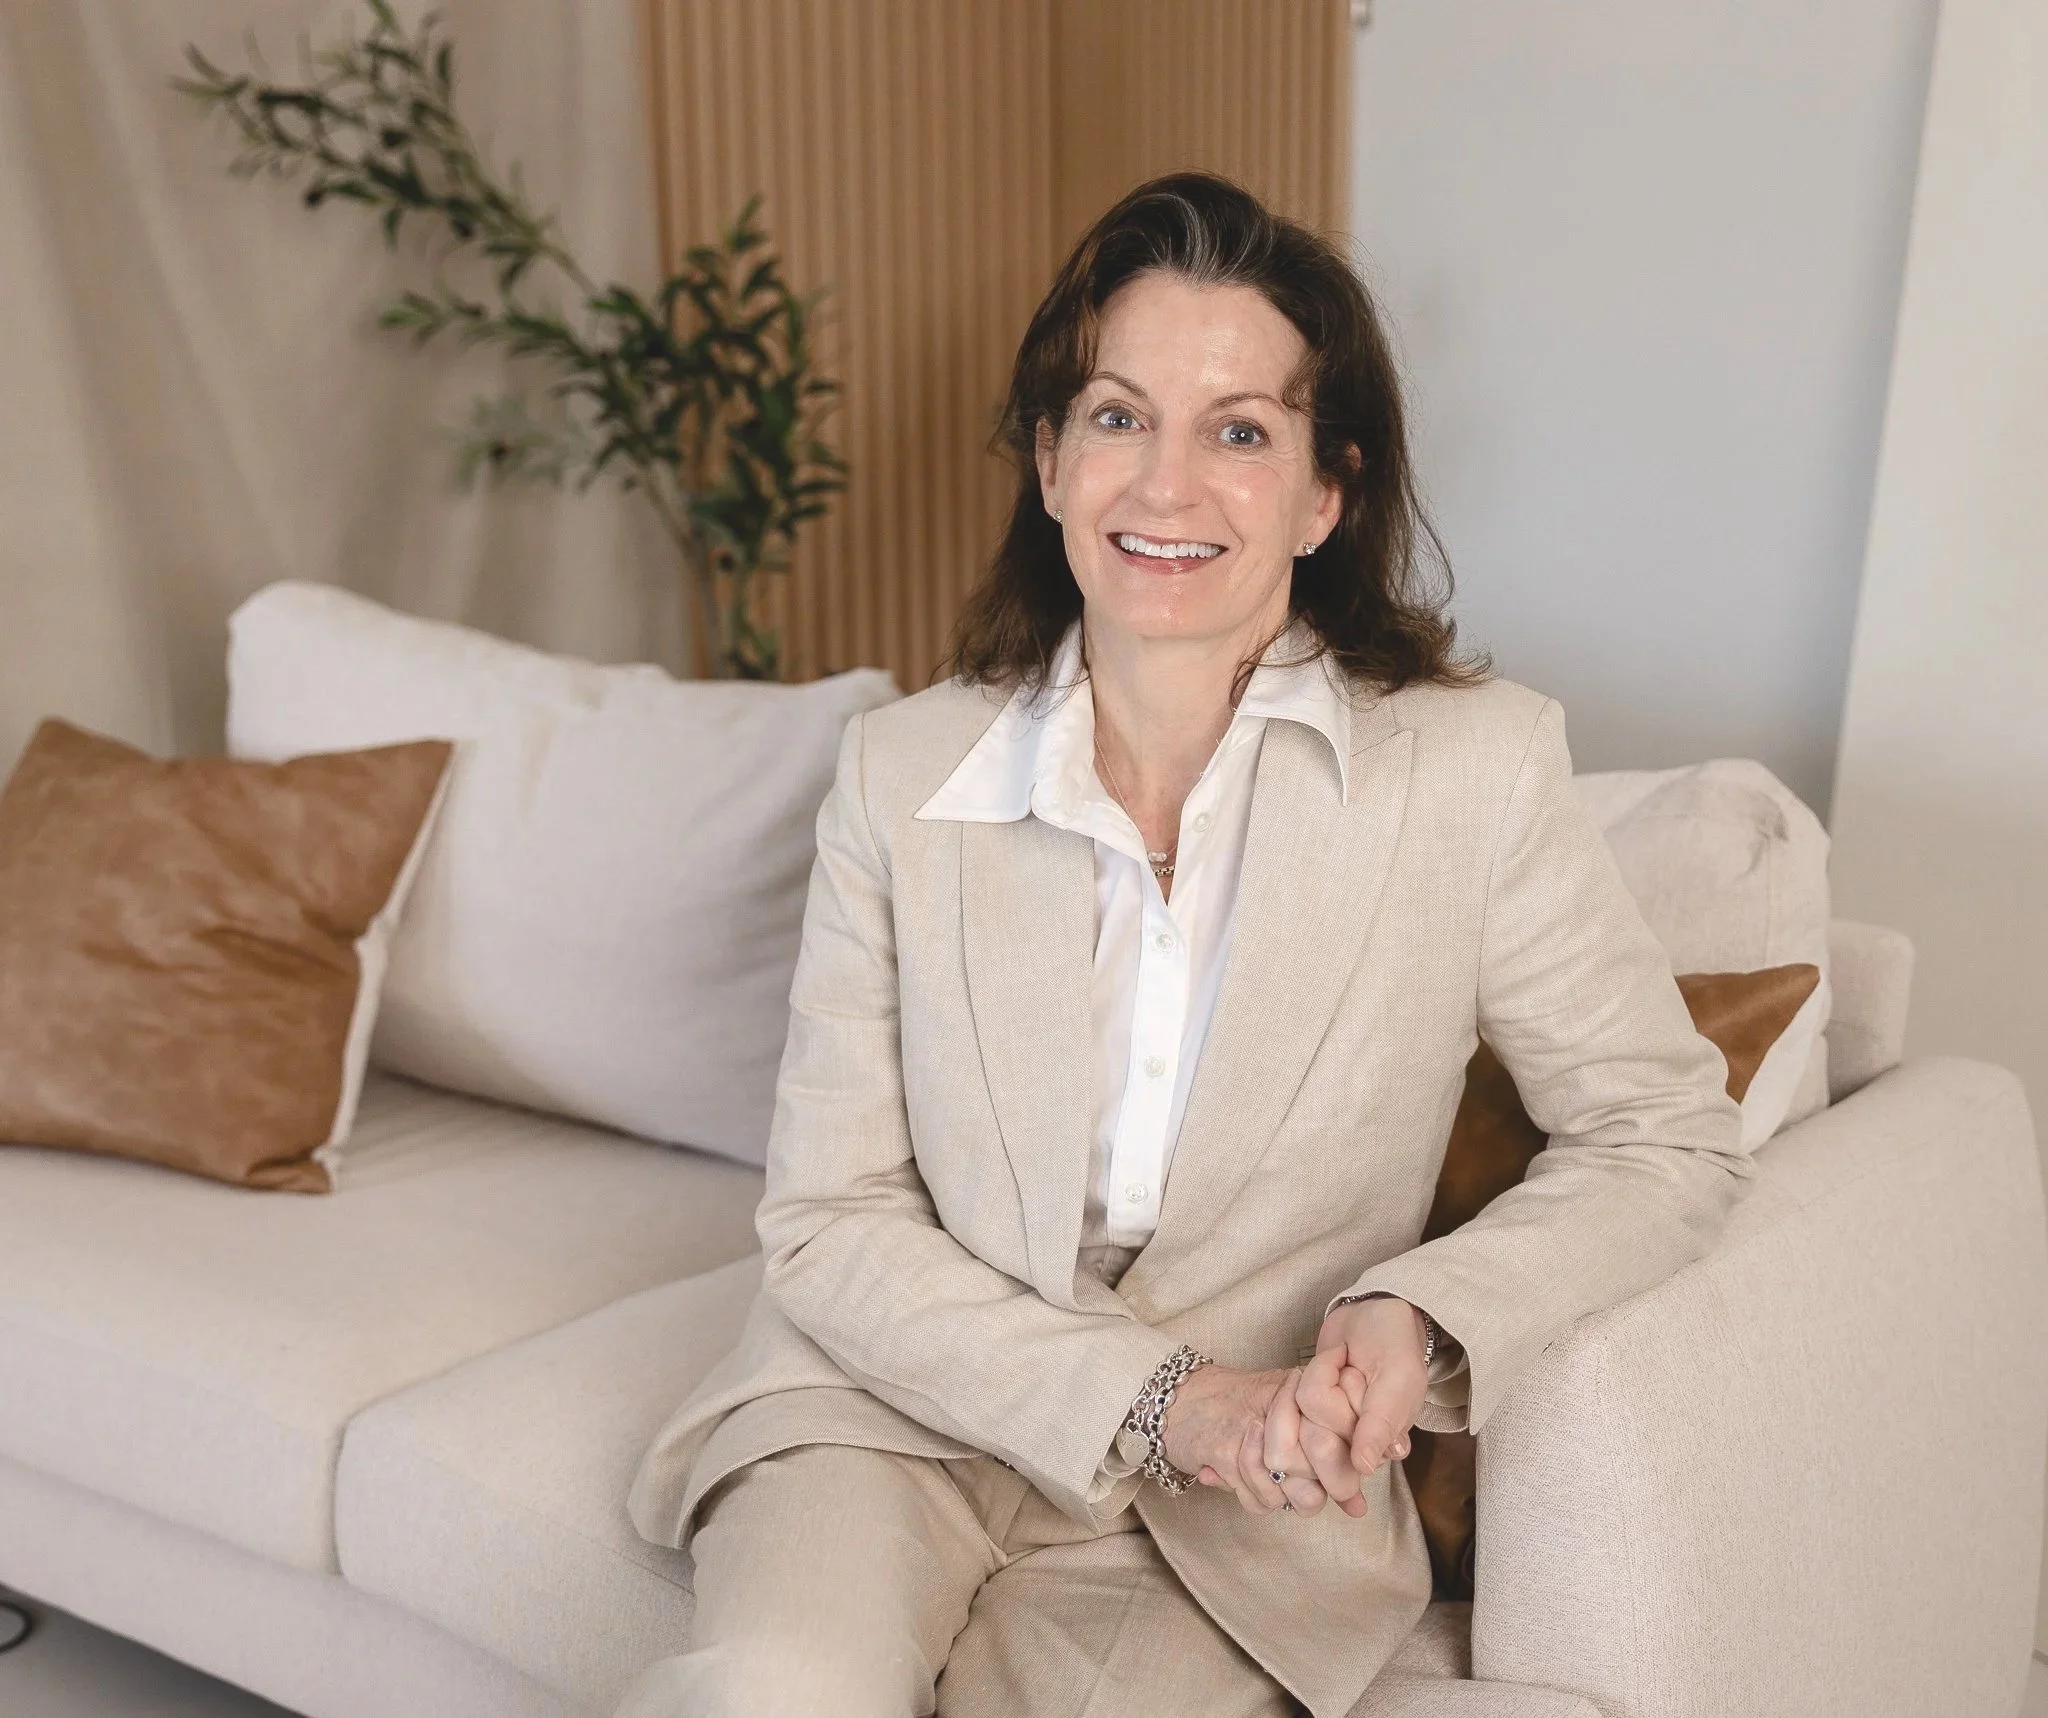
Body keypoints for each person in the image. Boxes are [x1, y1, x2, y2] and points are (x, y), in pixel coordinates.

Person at [618, 170, 1753, 1718]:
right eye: (1117, 416)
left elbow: (1662, 1132)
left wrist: (1423, 1313)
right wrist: (1160, 1397)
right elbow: (829, 1218)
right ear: (1049, 460)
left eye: (1239, 432)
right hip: (895, 1409)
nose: (1166, 485)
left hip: (1245, 1499)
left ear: (1325, 491)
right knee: (769, 1693)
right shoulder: (900, 774)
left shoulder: (1476, 775)